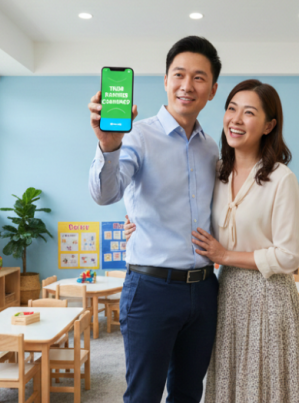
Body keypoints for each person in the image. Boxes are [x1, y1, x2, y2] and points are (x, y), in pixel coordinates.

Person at [126, 79, 299, 402]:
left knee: (263, 387)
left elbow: (289, 255)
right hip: (225, 295)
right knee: (229, 385)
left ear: (269, 125)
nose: (236, 120)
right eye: (231, 109)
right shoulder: (218, 170)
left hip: (268, 298)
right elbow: (183, 207)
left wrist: (225, 255)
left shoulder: (282, 179)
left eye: (249, 113)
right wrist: (137, 224)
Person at [87, 36, 221, 403]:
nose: (187, 85)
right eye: (179, 74)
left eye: (198, 77)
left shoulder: (212, 148)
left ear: (212, 89)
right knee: (143, 395)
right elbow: (105, 194)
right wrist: (108, 144)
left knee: (189, 393)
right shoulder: (138, 136)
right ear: (165, 80)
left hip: (205, 288)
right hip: (151, 289)